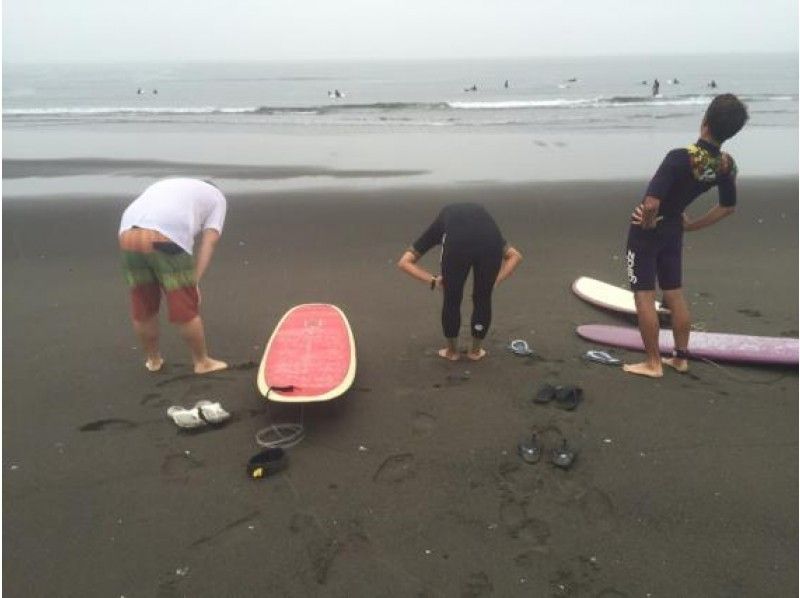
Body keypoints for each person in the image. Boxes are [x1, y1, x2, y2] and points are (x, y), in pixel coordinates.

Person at [623, 94, 748, 378]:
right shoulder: (726, 165)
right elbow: (728, 207)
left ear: (705, 122)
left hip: (650, 232)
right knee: (674, 293)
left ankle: (653, 363)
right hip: (674, 230)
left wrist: (646, 223)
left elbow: (652, 203)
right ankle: (680, 358)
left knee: (643, 295)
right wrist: (691, 226)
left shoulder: (679, 158)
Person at [119, 178, 229, 374]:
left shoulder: (169, 185)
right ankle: (202, 362)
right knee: (184, 305)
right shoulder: (217, 197)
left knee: (143, 303)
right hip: (165, 235)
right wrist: (194, 280)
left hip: (128, 233)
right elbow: (209, 241)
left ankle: (153, 360)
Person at [397, 203, 523, 361]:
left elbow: (404, 262)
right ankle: (475, 352)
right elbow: (515, 256)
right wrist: (496, 279)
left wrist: (434, 281)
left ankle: (452, 352)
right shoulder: (488, 228)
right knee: (483, 297)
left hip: (457, 245)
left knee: (452, 298)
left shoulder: (441, 222)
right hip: (489, 241)